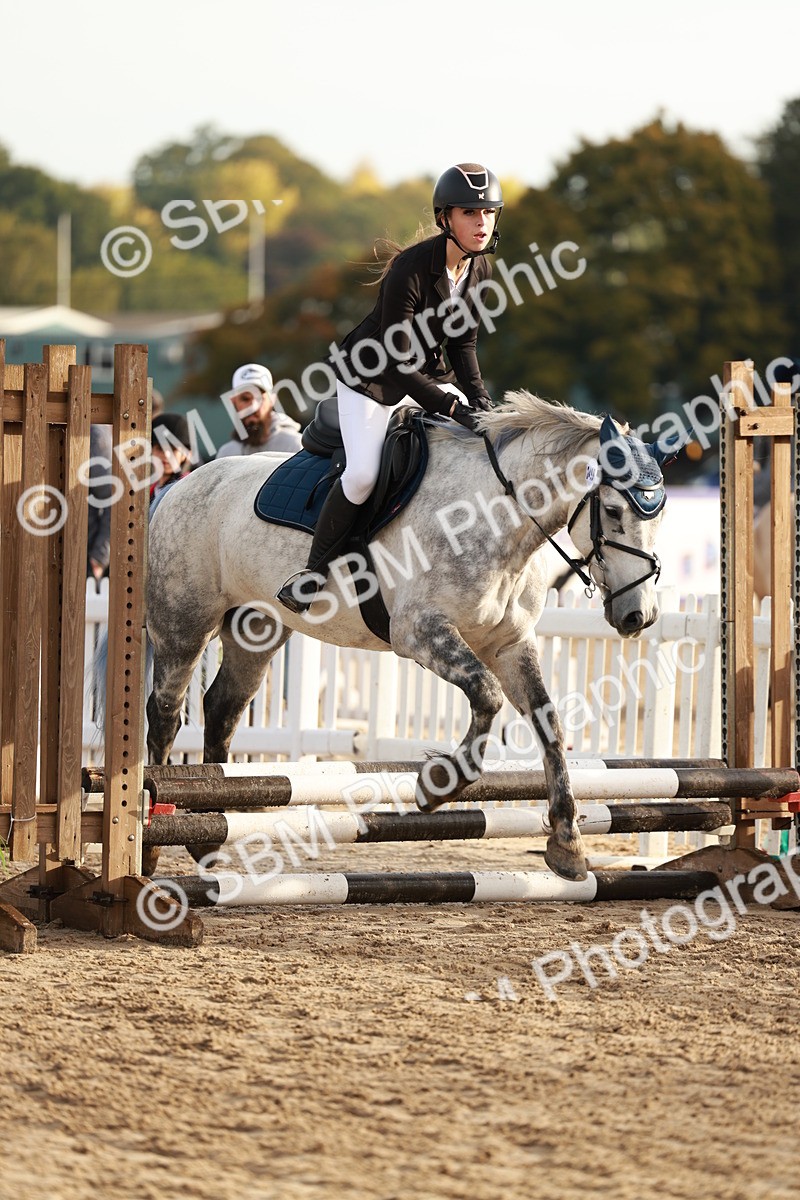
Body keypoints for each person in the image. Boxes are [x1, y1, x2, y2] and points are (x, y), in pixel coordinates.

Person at [276, 162, 504, 614]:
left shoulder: (479, 271)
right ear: (445, 219)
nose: (482, 224)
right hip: (372, 379)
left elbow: (464, 343)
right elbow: (396, 362)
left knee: (483, 448)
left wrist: (480, 403)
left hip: (428, 376)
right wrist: (451, 409)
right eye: (470, 213)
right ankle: (312, 573)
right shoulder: (410, 268)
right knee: (362, 474)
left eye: (490, 213)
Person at [216, 363, 302, 457]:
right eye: (245, 399)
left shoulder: (295, 447)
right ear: (233, 401)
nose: (253, 407)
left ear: (272, 400)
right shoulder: (226, 454)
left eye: (260, 398)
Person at [150, 412, 192, 511]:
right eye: (160, 448)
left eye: (173, 449)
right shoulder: (148, 492)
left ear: (187, 454)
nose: (166, 455)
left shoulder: (190, 488)